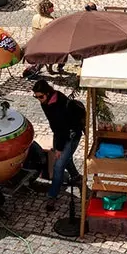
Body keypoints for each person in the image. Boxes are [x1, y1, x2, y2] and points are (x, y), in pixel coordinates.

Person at [34, 78, 87, 208]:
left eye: (40, 96)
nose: (39, 100)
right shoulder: (47, 102)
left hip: (71, 135)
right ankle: (76, 177)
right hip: (60, 134)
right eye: (36, 97)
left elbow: (62, 129)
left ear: (47, 93)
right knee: (65, 159)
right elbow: (56, 127)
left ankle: (52, 196)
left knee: (58, 166)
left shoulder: (59, 106)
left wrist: (58, 148)